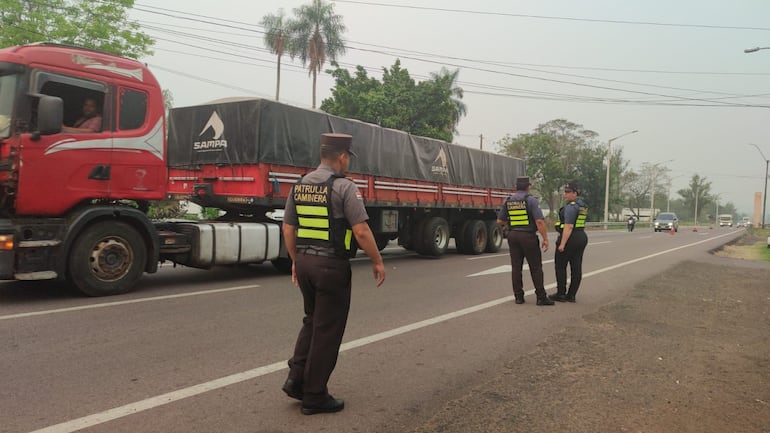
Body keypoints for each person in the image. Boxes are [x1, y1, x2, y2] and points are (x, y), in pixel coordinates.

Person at [281, 132, 386, 415]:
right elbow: (361, 230)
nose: (348, 162)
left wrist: (295, 260)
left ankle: (296, 378)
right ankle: (314, 396)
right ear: (341, 157)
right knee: (327, 330)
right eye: (348, 157)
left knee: (311, 320)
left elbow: (288, 228)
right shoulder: (344, 187)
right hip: (331, 266)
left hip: (304, 262)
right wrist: (377, 260)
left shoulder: (299, 185)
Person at [496, 176, 554, 306]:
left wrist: (512, 221)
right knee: (536, 267)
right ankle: (541, 297)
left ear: (516, 187)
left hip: (513, 235)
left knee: (516, 267)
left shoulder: (508, 200)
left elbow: (500, 221)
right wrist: (545, 239)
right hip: (528, 236)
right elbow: (539, 221)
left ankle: (518, 297)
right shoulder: (531, 200)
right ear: (528, 187)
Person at [549, 182, 589, 303]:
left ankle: (561, 293)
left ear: (574, 193)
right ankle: (571, 295)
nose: (565, 194)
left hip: (570, 238)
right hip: (581, 236)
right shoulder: (582, 205)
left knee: (560, 266)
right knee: (576, 267)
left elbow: (569, 226)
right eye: (564, 192)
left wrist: (562, 244)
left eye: (567, 192)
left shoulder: (571, 207)